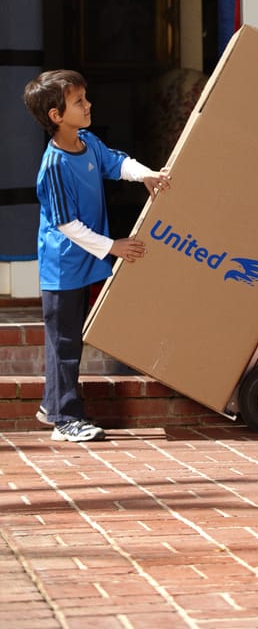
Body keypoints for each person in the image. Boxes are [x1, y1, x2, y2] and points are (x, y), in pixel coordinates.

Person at [23, 69, 172, 443]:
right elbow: (66, 224)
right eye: (79, 102)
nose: (88, 105)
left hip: (88, 260)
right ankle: (65, 419)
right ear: (56, 115)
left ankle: (53, 406)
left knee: (70, 339)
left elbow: (115, 163)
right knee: (65, 345)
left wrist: (147, 175)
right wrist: (113, 246)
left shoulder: (87, 142)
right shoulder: (54, 165)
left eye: (85, 97)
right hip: (64, 268)